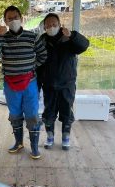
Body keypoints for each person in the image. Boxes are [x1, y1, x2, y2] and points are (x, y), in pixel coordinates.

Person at [0, 6, 47, 159]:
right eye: (9, 18)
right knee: (15, 114)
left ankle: (34, 147)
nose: (13, 20)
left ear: (21, 18)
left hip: (30, 83)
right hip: (10, 84)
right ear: (5, 21)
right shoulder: (2, 37)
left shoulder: (32, 36)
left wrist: (32, 67)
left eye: (16, 17)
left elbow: (43, 55)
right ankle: (19, 142)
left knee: (32, 114)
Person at [37, 13, 89, 150]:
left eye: (54, 24)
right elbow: (38, 65)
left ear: (59, 24)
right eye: (48, 25)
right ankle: (50, 137)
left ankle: (66, 137)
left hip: (67, 84)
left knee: (67, 111)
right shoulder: (41, 40)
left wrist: (72, 35)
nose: (51, 27)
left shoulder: (68, 38)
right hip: (49, 85)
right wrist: (37, 85)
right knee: (49, 112)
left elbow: (84, 46)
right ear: (44, 27)